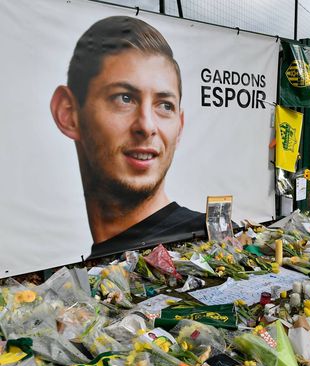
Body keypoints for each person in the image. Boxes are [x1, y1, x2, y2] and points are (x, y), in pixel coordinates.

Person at [50, 16, 206, 259]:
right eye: (124, 98)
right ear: (68, 113)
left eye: (164, 105)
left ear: (180, 126)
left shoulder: (207, 241)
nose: (146, 126)